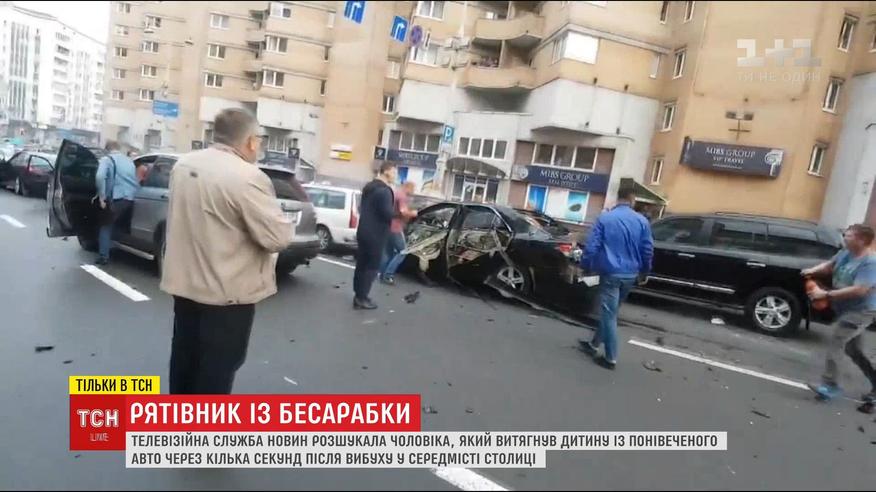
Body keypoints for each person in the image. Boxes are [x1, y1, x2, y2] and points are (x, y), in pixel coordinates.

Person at [160, 108, 294, 394]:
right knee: (216, 374)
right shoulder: (248, 177)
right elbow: (277, 237)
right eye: (259, 139)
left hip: (185, 287)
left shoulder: (183, 165)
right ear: (250, 141)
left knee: (184, 362)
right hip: (226, 296)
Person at [577, 186, 653, 370]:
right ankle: (594, 344)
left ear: (618, 198)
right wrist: (645, 271)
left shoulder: (605, 218)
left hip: (611, 272)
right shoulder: (642, 221)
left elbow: (592, 246)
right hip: (630, 274)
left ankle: (610, 358)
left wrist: (585, 266)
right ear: (632, 200)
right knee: (611, 312)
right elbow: (647, 250)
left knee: (609, 315)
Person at [802, 224, 876, 404]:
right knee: (854, 350)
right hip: (844, 309)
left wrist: (825, 294)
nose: (844, 237)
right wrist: (813, 270)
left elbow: (860, 290)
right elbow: (829, 265)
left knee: (836, 341)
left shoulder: (870, 263)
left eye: (848, 235)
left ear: (861, 240)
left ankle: (830, 385)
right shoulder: (846, 253)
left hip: (861, 311)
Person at [353, 162, 397, 310]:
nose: (395, 175)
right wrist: (402, 215)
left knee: (361, 265)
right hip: (376, 234)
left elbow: (362, 208)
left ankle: (358, 295)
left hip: (363, 230)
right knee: (372, 266)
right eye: (394, 172)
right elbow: (387, 214)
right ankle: (362, 298)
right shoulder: (385, 191)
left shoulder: (369, 187)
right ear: (386, 172)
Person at [94, 140, 139, 265]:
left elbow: (99, 177)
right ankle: (119, 248)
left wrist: (102, 196)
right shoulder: (129, 161)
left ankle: (104, 256)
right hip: (130, 198)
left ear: (107, 149)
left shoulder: (107, 160)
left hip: (116, 198)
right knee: (120, 224)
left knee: (105, 225)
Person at [380, 180, 417, 285]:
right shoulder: (402, 196)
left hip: (387, 225)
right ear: (408, 187)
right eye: (413, 189)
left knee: (388, 253)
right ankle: (388, 275)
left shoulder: (394, 193)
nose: (413, 192)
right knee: (403, 251)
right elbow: (403, 212)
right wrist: (413, 213)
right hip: (395, 227)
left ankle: (382, 274)